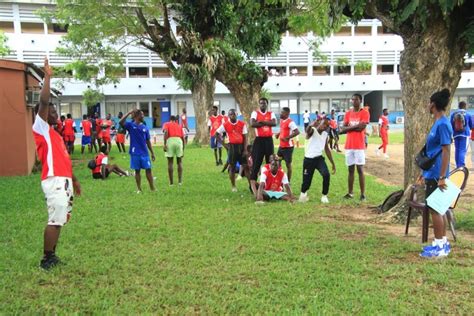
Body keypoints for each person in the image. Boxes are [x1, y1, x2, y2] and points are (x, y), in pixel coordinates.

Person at [32, 58, 81, 270]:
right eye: (52, 111)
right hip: (54, 180)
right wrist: (48, 76)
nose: (54, 113)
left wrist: (75, 180)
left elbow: (65, 160)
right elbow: (43, 102)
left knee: (60, 218)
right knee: (55, 218)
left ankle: (52, 254)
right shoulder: (41, 128)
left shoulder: (55, 135)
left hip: (64, 179)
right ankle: (46, 259)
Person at [419, 89, 453, 258]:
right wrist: (422, 172)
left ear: (433, 104)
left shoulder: (443, 124)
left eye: (428, 102)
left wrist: (442, 177)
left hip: (437, 174)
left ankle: (439, 247)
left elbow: (446, 150)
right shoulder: (438, 122)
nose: (427, 105)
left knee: (435, 209)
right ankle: (443, 243)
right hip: (431, 172)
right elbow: (433, 150)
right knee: (439, 209)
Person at [339, 93, 370, 201]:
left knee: (360, 169)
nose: (353, 101)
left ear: (360, 101)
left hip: (359, 145)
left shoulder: (364, 113)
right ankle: (350, 193)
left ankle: (362, 194)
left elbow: (361, 128)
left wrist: (348, 128)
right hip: (349, 145)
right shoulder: (348, 113)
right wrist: (353, 127)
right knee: (350, 170)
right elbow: (342, 127)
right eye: (352, 100)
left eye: (356, 99)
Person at [299, 117, 336, 204]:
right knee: (306, 182)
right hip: (308, 160)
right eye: (324, 123)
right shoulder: (312, 131)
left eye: (327, 125)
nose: (325, 126)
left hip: (319, 159)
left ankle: (324, 196)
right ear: (320, 122)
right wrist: (311, 124)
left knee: (326, 174)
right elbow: (307, 131)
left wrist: (333, 163)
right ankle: (303, 194)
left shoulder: (325, 135)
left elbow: (326, 149)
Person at [119, 109, 156, 193]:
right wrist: (128, 113)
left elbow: (148, 141)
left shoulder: (145, 127)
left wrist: (152, 153)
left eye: (143, 114)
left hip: (144, 153)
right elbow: (121, 122)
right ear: (136, 116)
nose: (143, 116)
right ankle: (139, 189)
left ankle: (152, 188)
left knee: (148, 170)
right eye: (141, 115)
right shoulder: (131, 125)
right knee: (137, 171)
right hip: (135, 153)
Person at [216, 109, 249, 192]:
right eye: (230, 114)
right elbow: (216, 134)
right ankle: (233, 186)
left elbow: (245, 137)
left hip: (241, 147)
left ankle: (250, 185)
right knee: (232, 167)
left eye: (234, 114)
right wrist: (224, 145)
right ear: (228, 116)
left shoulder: (242, 124)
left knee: (246, 166)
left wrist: (245, 150)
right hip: (232, 147)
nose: (232, 116)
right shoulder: (225, 125)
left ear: (236, 114)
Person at [250, 97, 276, 195]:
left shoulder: (271, 113)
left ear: (267, 104)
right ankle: (252, 186)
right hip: (259, 141)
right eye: (261, 103)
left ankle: (269, 185)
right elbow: (252, 124)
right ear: (259, 104)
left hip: (269, 140)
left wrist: (262, 122)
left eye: (264, 103)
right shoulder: (255, 113)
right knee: (257, 163)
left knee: (270, 163)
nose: (262, 105)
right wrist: (267, 123)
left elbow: (274, 123)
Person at [275, 107, 300, 182]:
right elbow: (283, 129)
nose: (280, 113)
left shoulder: (290, 122)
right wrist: (278, 134)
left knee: (288, 165)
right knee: (278, 162)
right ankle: (280, 178)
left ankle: (288, 181)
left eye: (282, 112)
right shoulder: (282, 120)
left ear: (287, 114)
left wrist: (287, 138)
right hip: (281, 146)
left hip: (288, 148)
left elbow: (297, 132)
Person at [163, 115, 185, 185]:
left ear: (170, 120)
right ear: (176, 120)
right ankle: (180, 182)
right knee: (179, 162)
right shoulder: (179, 125)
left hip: (170, 140)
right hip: (179, 141)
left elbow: (165, 132)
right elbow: (183, 138)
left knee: (170, 162)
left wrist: (165, 144)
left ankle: (171, 183)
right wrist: (183, 149)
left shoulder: (166, 124)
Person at [450, 101, 472, 168]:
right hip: (464, 134)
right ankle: (461, 165)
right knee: (462, 150)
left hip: (456, 134)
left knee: (457, 149)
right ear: (465, 106)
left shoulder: (454, 114)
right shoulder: (467, 114)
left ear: (459, 106)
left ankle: (458, 165)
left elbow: (451, 124)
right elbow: (471, 125)